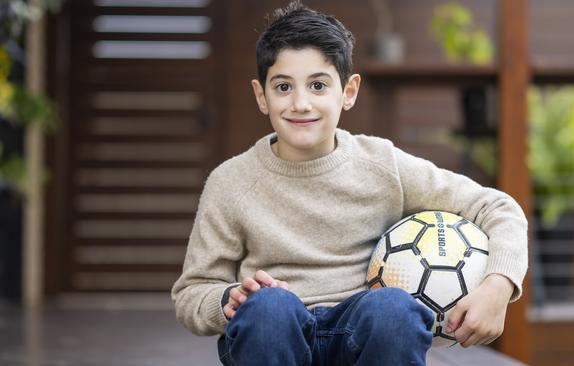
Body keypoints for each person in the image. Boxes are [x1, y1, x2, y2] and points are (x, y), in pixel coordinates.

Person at [171, 1, 528, 365]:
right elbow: (192, 292)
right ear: (261, 96)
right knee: (269, 310)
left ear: (349, 91)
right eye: (283, 87)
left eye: (318, 85)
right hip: (273, 337)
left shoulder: (382, 164)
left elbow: (499, 207)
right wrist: (228, 300)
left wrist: (497, 288)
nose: (300, 103)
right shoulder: (231, 182)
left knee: (394, 309)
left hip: (360, 340)